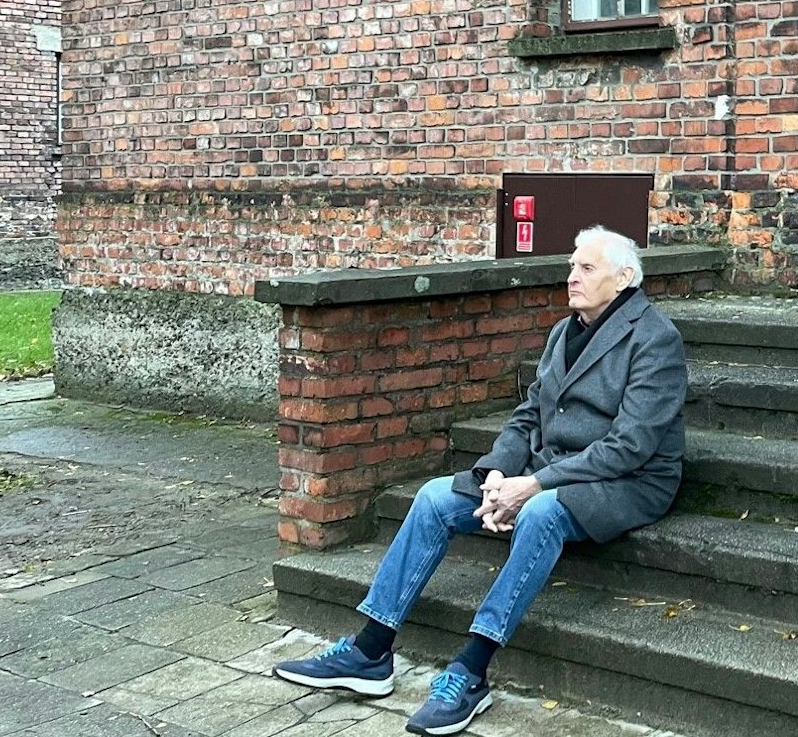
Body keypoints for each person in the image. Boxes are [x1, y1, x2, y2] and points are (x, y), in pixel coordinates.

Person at [273, 225, 687, 736]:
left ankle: (471, 670)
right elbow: (529, 415)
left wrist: (533, 485)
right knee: (433, 497)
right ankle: (370, 650)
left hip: (629, 481)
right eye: (571, 266)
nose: (571, 277)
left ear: (623, 278)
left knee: (541, 513)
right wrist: (496, 472)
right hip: (552, 468)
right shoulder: (565, 331)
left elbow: (630, 445)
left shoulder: (655, 338)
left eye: (586, 268)